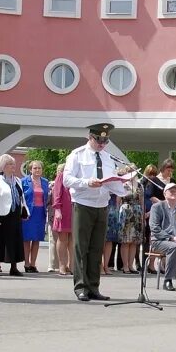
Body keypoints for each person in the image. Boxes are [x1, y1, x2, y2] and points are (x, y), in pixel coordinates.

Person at [62, 123, 129, 302]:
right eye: (98, 140)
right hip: (83, 204)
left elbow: (112, 182)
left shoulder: (108, 157)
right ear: (90, 137)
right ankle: (81, 287)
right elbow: (67, 179)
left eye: (105, 140)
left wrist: (124, 184)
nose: (102, 144)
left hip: (102, 204)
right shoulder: (77, 155)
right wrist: (86, 183)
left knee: (96, 247)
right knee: (81, 247)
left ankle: (94, 286)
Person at [0, 154, 26, 277]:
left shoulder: (17, 180)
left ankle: (13, 267)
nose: (13, 166)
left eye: (13, 164)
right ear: (2, 167)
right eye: (9, 164)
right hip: (2, 214)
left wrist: (25, 212)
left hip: (15, 214)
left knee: (15, 239)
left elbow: (21, 198)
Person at [21, 161, 49, 273]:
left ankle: (33, 264)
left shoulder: (45, 182)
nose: (37, 170)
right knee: (26, 239)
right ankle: (26, 263)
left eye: (39, 168)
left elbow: (47, 197)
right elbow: (20, 198)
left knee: (37, 239)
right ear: (30, 170)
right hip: (28, 213)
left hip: (40, 213)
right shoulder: (24, 181)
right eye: (35, 168)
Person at [117, 165, 144, 274]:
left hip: (136, 213)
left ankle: (131, 265)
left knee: (134, 241)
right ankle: (125, 266)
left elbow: (141, 201)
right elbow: (118, 201)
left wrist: (142, 216)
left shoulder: (139, 185)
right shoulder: (122, 185)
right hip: (126, 212)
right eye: (131, 171)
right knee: (125, 241)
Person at [52, 162, 73, 275]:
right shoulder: (61, 176)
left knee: (73, 240)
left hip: (75, 210)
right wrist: (57, 209)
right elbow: (57, 193)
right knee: (63, 239)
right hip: (63, 210)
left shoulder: (77, 176)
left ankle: (72, 265)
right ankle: (62, 265)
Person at [104, 193, 121, 275]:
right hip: (101, 206)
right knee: (100, 240)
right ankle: (99, 265)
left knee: (110, 240)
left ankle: (106, 266)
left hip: (113, 209)